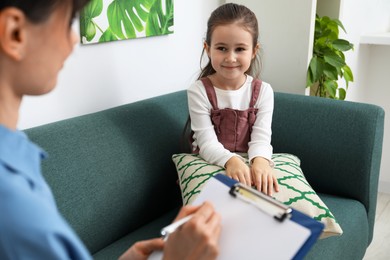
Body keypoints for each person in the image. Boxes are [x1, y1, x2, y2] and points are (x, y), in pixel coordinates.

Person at [0, 1, 221, 259]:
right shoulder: (11, 204)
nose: (73, 41)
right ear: (14, 33)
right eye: (70, 22)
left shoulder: (18, 155)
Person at [188, 3, 279, 196]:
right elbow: (206, 143)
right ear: (208, 48)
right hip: (211, 160)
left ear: (254, 51)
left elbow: (261, 139)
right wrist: (232, 161)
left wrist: (260, 161)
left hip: (250, 159)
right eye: (221, 48)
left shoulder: (264, 91)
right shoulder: (198, 91)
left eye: (240, 49)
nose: (230, 58)